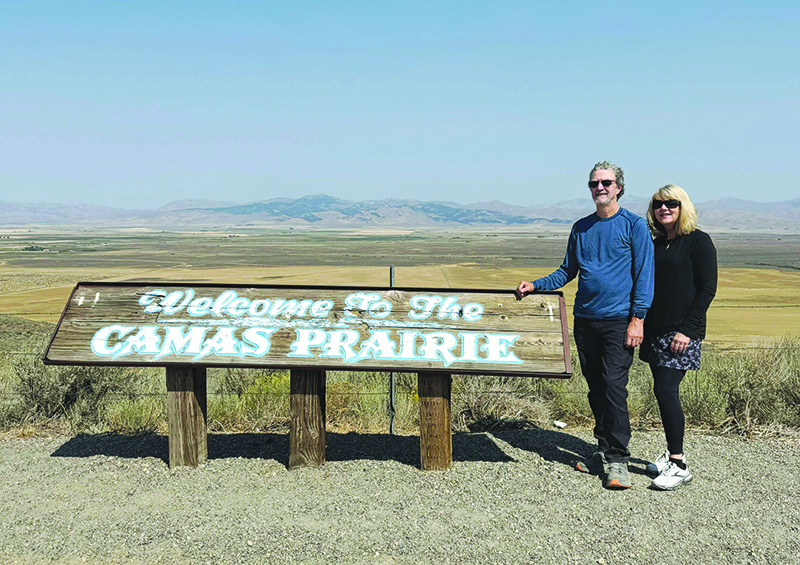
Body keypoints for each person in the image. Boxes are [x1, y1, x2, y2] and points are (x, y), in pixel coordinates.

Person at [516, 161, 654, 489]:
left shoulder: (633, 226)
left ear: (619, 187)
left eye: (606, 182)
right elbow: (567, 271)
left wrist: (638, 319)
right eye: (594, 183)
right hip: (586, 320)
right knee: (596, 389)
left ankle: (618, 460)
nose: (600, 188)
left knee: (614, 388)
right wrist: (535, 285)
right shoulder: (581, 228)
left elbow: (645, 276)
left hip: (619, 321)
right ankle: (603, 452)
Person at [640, 184, 717, 490]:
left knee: (666, 390)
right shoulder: (658, 243)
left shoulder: (698, 241)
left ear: (683, 206)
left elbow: (707, 288)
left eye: (671, 203)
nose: (664, 208)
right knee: (662, 392)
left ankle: (679, 462)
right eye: (659, 204)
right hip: (656, 331)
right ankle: (671, 454)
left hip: (682, 333)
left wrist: (687, 329)